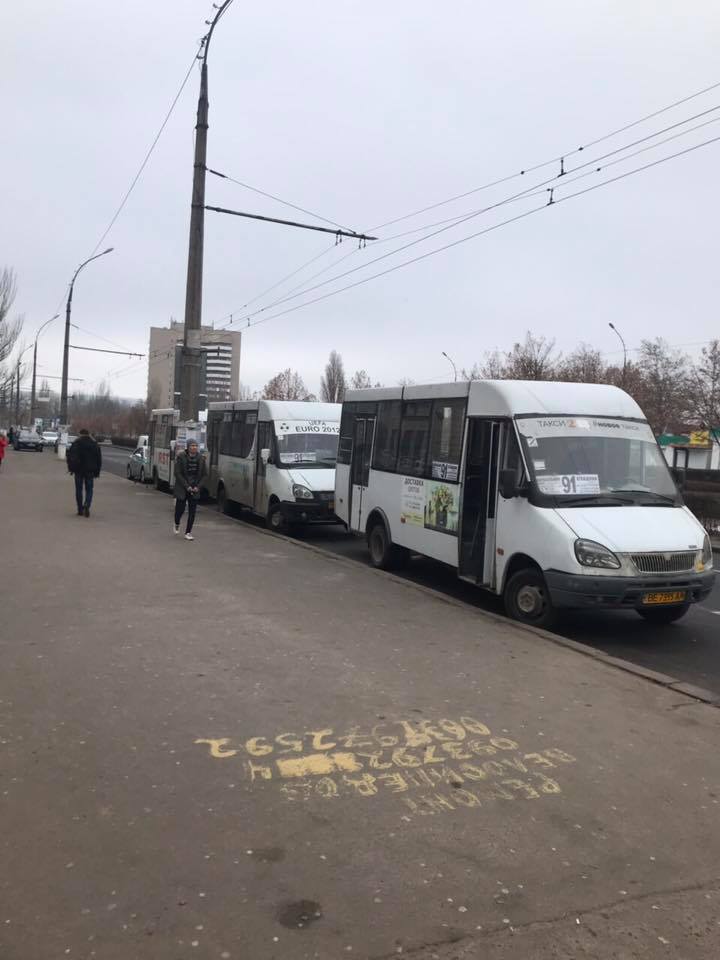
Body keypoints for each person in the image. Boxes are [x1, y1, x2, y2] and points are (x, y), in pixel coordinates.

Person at [173, 439, 207, 541]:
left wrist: (198, 486)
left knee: (192, 512)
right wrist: (186, 485)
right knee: (180, 509)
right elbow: (177, 473)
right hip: (183, 488)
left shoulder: (201, 459)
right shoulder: (181, 457)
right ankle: (176, 523)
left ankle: (188, 532)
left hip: (195, 488)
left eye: (196, 446)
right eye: (192, 446)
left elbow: (205, 475)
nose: (194, 447)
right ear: (188, 447)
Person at [66, 429, 102, 517]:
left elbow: (70, 457)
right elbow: (99, 459)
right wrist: (97, 472)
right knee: (89, 489)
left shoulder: (76, 443)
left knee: (79, 489)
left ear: (80, 434)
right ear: (88, 434)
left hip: (78, 470)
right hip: (90, 470)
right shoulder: (94, 444)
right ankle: (87, 505)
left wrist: (71, 469)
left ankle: (80, 509)